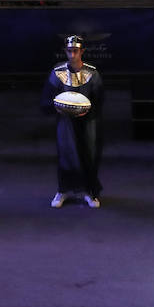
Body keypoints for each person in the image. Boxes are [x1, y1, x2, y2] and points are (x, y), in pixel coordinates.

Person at [44, 35, 103, 209]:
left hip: (88, 121)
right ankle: (63, 190)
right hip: (65, 121)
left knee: (88, 154)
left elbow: (99, 98)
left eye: (75, 51)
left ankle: (89, 192)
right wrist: (56, 108)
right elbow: (48, 97)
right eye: (69, 51)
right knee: (66, 154)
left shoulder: (92, 73)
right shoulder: (58, 71)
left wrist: (88, 111)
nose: (72, 55)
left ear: (82, 51)